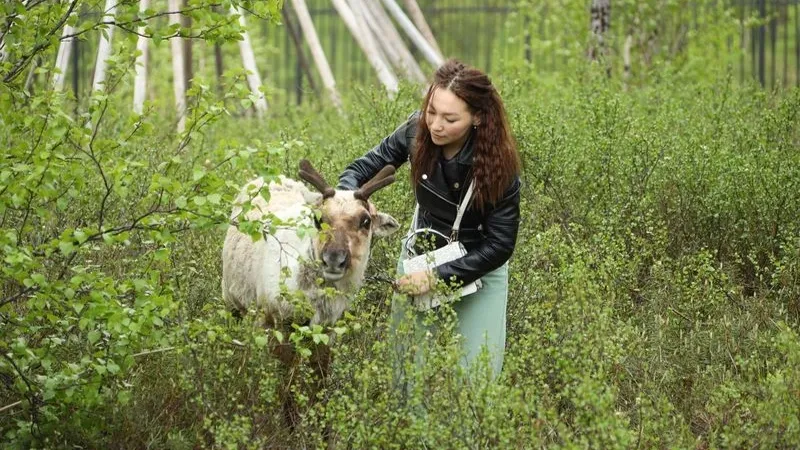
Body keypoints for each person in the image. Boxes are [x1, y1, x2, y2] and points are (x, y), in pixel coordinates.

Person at [337, 59, 522, 376]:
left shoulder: (500, 164)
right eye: (432, 111)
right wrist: (348, 203)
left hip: (481, 266)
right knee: (406, 373)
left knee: (477, 379)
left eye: (450, 118)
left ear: (478, 118)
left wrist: (437, 278)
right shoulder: (415, 131)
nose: (435, 125)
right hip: (419, 258)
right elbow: (359, 170)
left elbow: (500, 245)